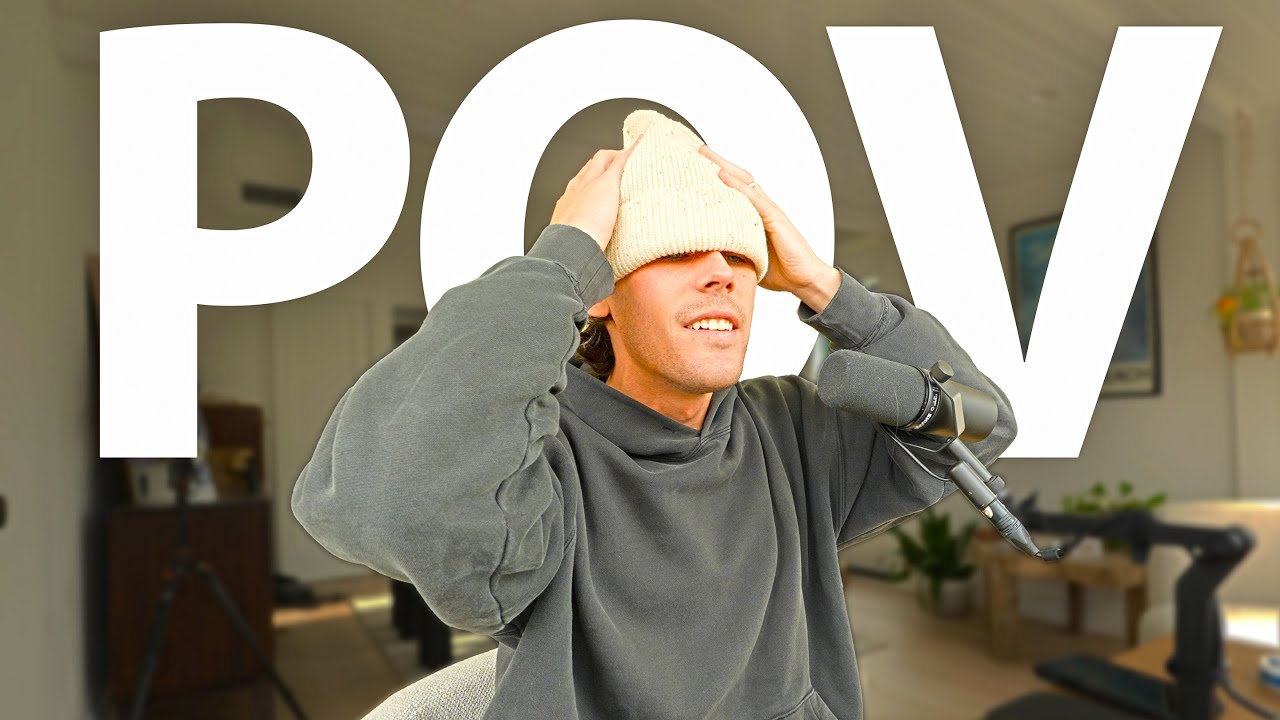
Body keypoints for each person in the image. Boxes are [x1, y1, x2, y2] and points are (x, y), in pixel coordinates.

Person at [291, 109, 1018, 719]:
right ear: (601, 296)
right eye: (678, 252)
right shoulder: (540, 456)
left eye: (739, 256)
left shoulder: (792, 426)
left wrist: (824, 283)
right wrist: (558, 260)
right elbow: (391, 499)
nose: (721, 274)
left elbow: (981, 426)